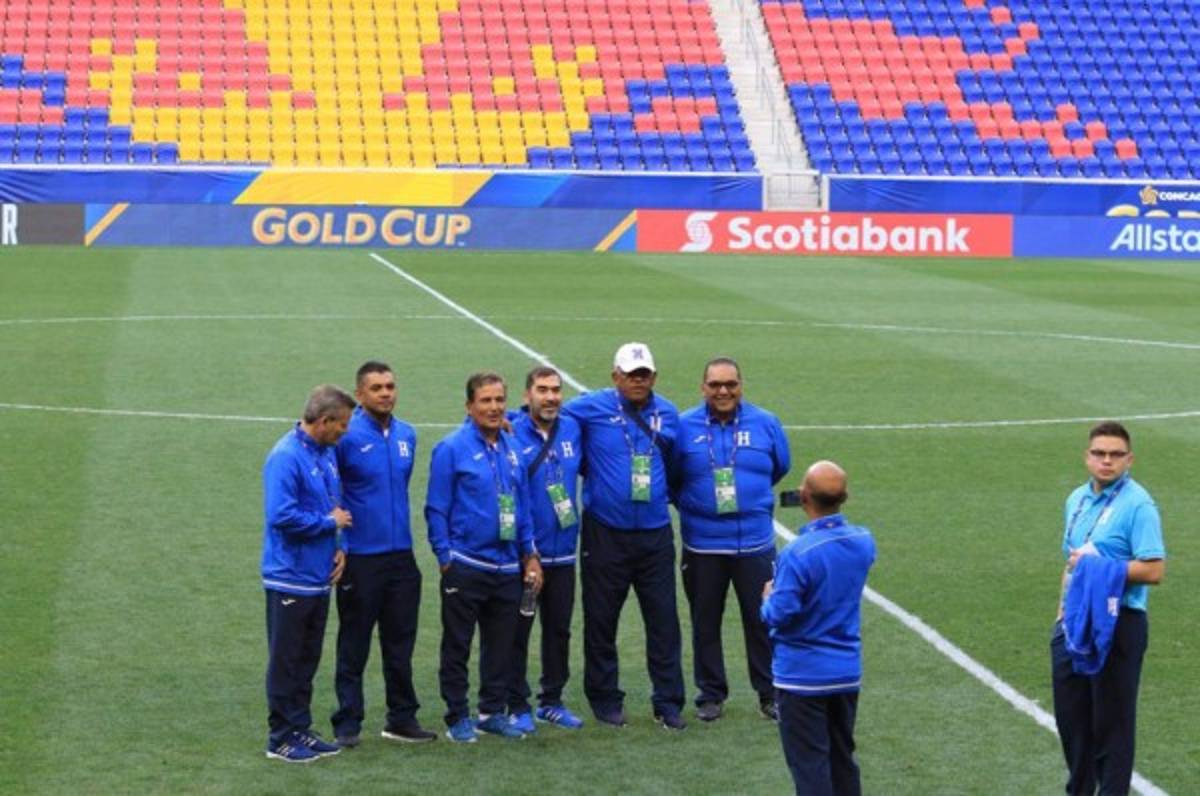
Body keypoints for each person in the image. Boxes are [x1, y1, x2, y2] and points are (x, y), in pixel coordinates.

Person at [562, 342, 686, 730]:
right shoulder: (590, 406)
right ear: (615, 375)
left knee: (664, 620)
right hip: (605, 533)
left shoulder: (668, 413)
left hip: (654, 534)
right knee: (601, 619)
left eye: (644, 374)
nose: (638, 381)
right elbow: (548, 418)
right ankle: (604, 698)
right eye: (631, 374)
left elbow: (677, 465)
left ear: (654, 376)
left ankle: (668, 701)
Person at [425, 372, 544, 743]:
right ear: (469, 406)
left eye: (498, 400)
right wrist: (446, 558)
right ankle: (457, 715)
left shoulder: (512, 448)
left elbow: (522, 508)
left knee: (501, 643)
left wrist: (531, 555)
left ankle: (492, 711)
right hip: (467, 564)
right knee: (457, 644)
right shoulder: (451, 448)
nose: (493, 407)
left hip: (507, 566)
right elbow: (436, 508)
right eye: (485, 401)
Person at [1051, 421, 1165, 795]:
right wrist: (1061, 614)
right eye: (1099, 453)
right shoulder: (1076, 500)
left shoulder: (1138, 505)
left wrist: (1100, 567)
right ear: (1087, 457)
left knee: (1112, 727)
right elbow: (1071, 563)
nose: (1107, 461)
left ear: (1129, 459)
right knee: (1073, 722)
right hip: (1074, 622)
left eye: (1116, 455)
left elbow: (1154, 569)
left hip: (1119, 623)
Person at [673, 357, 790, 723]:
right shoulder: (683, 427)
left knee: (762, 620)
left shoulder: (766, 423)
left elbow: (780, 466)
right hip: (703, 544)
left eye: (731, 384)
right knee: (705, 620)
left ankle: (769, 693)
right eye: (715, 385)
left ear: (741, 385)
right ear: (702, 387)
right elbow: (672, 478)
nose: (723, 391)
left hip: (755, 544)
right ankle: (711, 694)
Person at [330, 361, 436, 747]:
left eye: (390, 386)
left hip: (401, 557)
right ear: (360, 394)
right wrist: (339, 545)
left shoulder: (407, 434)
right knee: (354, 643)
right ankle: (347, 723)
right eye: (376, 388)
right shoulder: (345, 436)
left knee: (400, 643)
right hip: (361, 557)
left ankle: (401, 718)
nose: (386, 393)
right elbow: (332, 491)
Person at [762, 461, 876, 796]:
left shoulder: (798, 553)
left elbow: (779, 614)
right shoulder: (864, 540)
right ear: (845, 498)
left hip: (801, 676)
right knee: (842, 759)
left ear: (804, 497)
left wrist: (767, 598)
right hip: (845, 672)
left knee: (809, 766)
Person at [261, 384, 356, 763]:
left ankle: (300, 727)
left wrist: (340, 547)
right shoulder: (286, 456)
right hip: (289, 575)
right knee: (286, 660)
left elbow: (336, 505)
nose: (345, 432)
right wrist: (325, 523)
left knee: (307, 660)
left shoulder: (326, 454)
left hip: (317, 577)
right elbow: (280, 515)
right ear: (324, 421)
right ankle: (280, 736)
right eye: (343, 425)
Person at [506, 366, 586, 732]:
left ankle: (551, 701)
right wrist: (526, 552)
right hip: (526, 557)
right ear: (527, 396)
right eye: (542, 390)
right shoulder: (510, 430)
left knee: (559, 630)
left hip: (565, 552)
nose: (551, 396)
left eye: (555, 390)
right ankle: (516, 702)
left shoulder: (572, 428)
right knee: (518, 629)